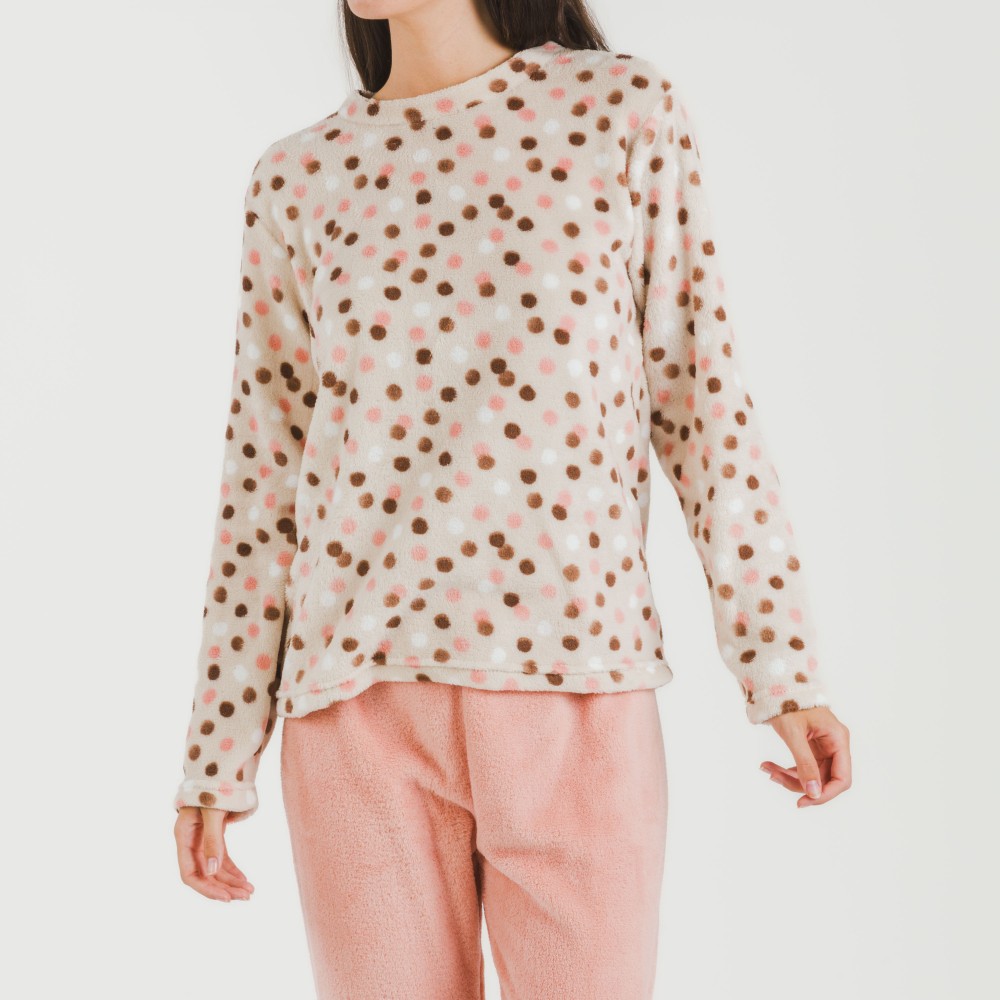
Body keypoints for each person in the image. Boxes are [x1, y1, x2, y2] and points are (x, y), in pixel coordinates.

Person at [172, 1, 852, 996]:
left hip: (575, 685)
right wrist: (217, 749)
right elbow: (262, 478)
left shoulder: (619, 111)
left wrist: (781, 668)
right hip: (355, 716)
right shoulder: (298, 177)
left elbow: (699, 397)